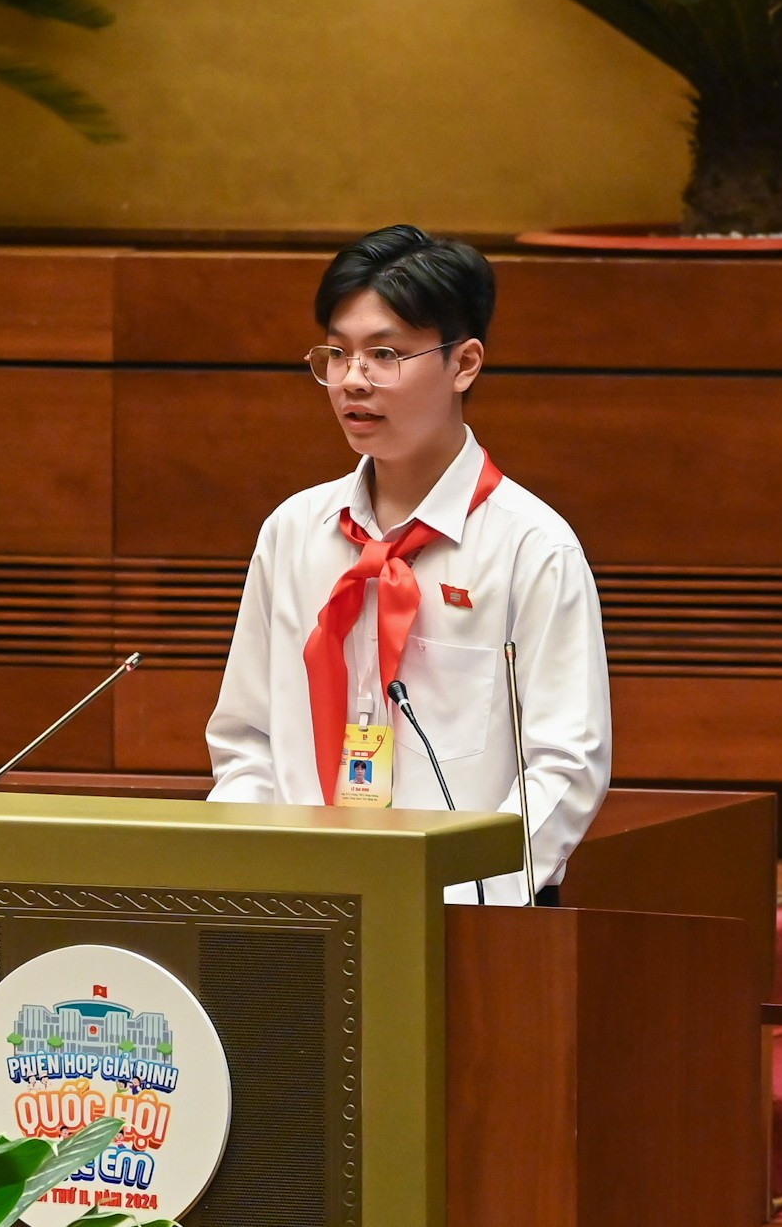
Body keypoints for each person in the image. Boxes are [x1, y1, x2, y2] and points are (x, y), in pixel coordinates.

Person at [205, 225, 611, 904]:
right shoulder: (292, 534)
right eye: (337, 353)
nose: (352, 380)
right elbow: (248, 738)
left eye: (385, 353)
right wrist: (257, 880)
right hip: (303, 907)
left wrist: (469, 900)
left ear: (464, 363)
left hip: (470, 921)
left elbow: (564, 767)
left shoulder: (531, 547)